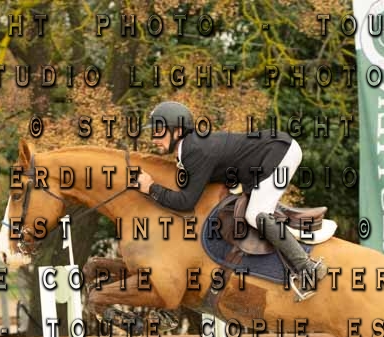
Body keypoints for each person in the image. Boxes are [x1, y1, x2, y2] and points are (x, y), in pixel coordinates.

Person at [135, 101, 328, 300]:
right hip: (264, 160)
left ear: (177, 131)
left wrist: (150, 187)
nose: (154, 139)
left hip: (279, 152)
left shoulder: (195, 149)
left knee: (255, 215)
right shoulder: (190, 148)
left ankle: (307, 267)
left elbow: (185, 202)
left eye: (159, 131)